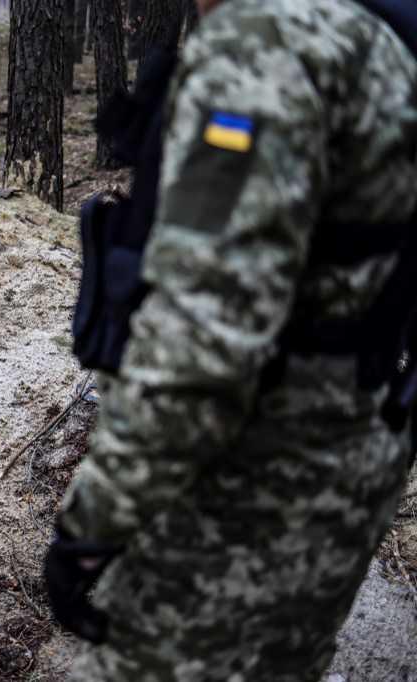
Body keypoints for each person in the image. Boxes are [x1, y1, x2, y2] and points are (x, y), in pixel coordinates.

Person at [48, 0, 417, 680]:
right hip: (352, 465)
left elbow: (203, 340)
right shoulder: (376, 38)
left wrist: (93, 524)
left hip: (250, 488)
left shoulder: (265, 48)